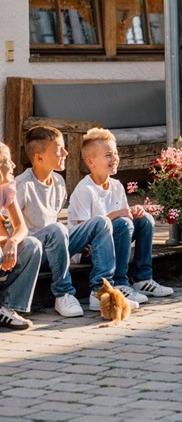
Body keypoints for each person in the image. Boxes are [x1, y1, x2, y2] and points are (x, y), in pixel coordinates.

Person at [16, 125, 117, 317]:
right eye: (59, 149)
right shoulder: (22, 185)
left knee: (101, 223)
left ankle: (100, 291)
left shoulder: (59, 183)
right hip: (34, 253)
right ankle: (63, 294)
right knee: (56, 229)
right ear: (39, 158)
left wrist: (81, 243)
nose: (66, 152)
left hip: (58, 245)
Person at [68, 128, 174, 303]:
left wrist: (136, 212)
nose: (115, 158)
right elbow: (85, 234)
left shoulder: (116, 185)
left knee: (145, 220)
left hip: (116, 241)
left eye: (116, 153)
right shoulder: (84, 190)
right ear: (91, 162)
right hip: (88, 250)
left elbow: (127, 221)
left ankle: (143, 278)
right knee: (123, 223)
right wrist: (118, 214)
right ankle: (119, 282)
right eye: (108, 155)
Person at [0, 142, 42, 329]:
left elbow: (21, 227)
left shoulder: (6, 189)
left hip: (3, 252)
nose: (14, 165)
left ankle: (7, 308)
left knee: (32, 245)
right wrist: (5, 241)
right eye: (8, 161)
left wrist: (13, 241)